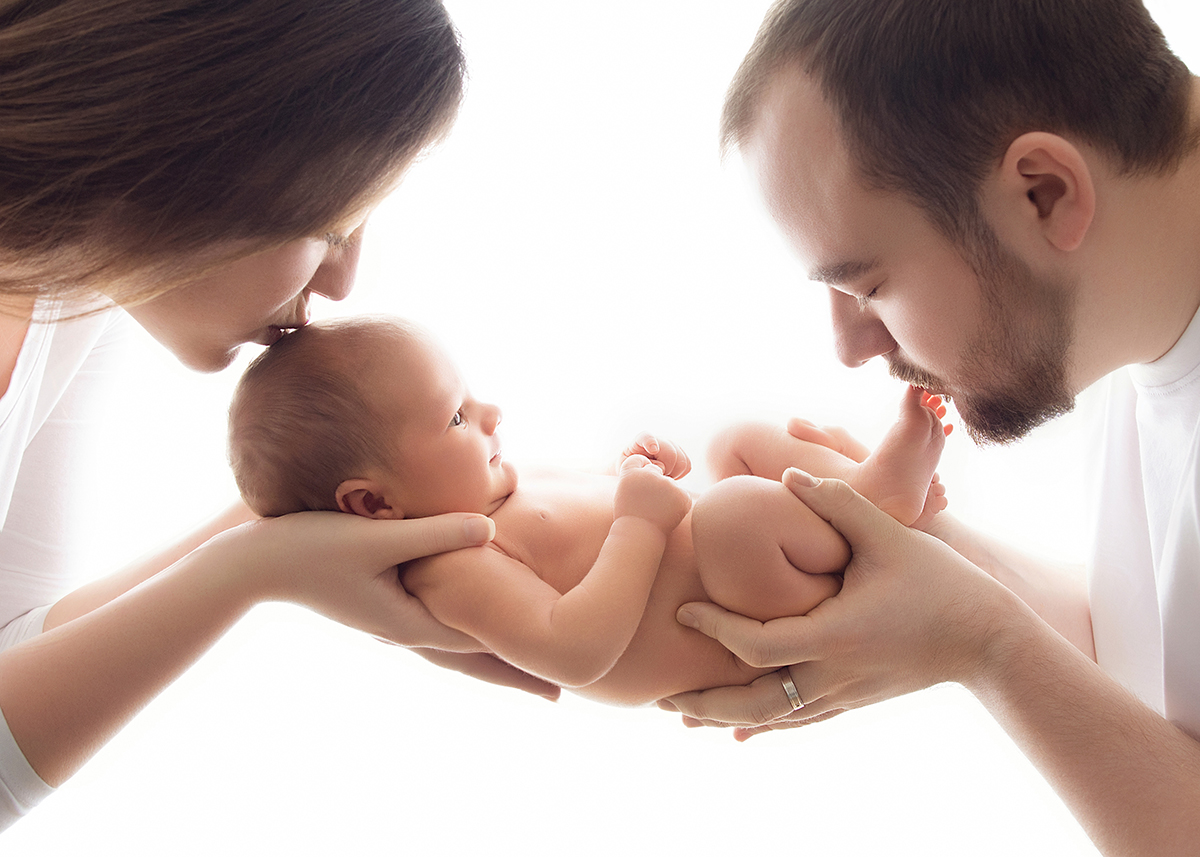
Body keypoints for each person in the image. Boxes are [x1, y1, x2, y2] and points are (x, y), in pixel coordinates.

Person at [0, 0, 559, 831]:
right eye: (329, 221)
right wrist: (252, 572)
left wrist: (303, 520)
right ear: (183, 144)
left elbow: (17, 645)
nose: (342, 282)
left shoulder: (74, 276)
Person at [658, 1, 1200, 854]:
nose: (850, 346)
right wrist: (923, 551)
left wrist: (984, 645)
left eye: (867, 286)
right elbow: (1158, 651)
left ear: (1043, 192)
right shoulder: (1135, 300)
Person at [227, 315, 949, 703]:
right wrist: (639, 521)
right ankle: (877, 505)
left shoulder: (495, 484)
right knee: (734, 510)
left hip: (738, 562)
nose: (489, 412)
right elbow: (572, 650)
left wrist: (631, 474)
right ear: (374, 502)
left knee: (740, 440)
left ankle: (869, 490)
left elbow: (591, 521)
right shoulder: (449, 567)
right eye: (454, 417)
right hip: (732, 625)